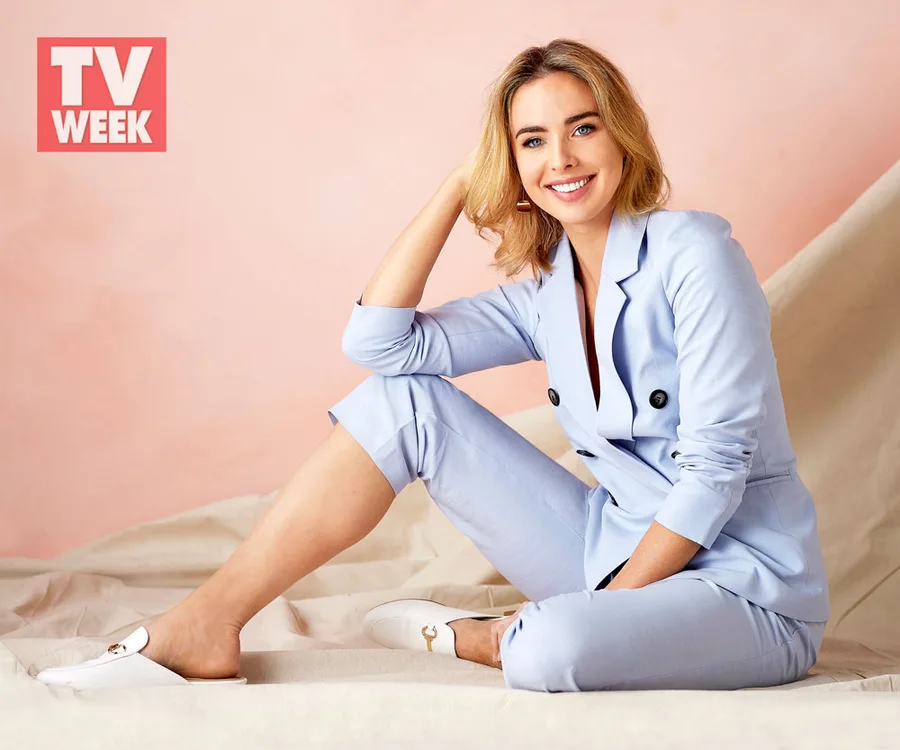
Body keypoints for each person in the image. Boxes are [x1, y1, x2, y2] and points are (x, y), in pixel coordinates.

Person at [36, 38, 830, 693]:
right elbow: (380, 344)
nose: (561, 158)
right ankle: (207, 622)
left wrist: (607, 614)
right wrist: (458, 184)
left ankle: (484, 637)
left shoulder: (696, 255)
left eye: (583, 128)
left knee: (548, 653)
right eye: (531, 141)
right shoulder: (546, 298)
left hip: (746, 591)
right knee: (401, 403)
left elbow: (714, 473)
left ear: (621, 135)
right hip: (605, 551)